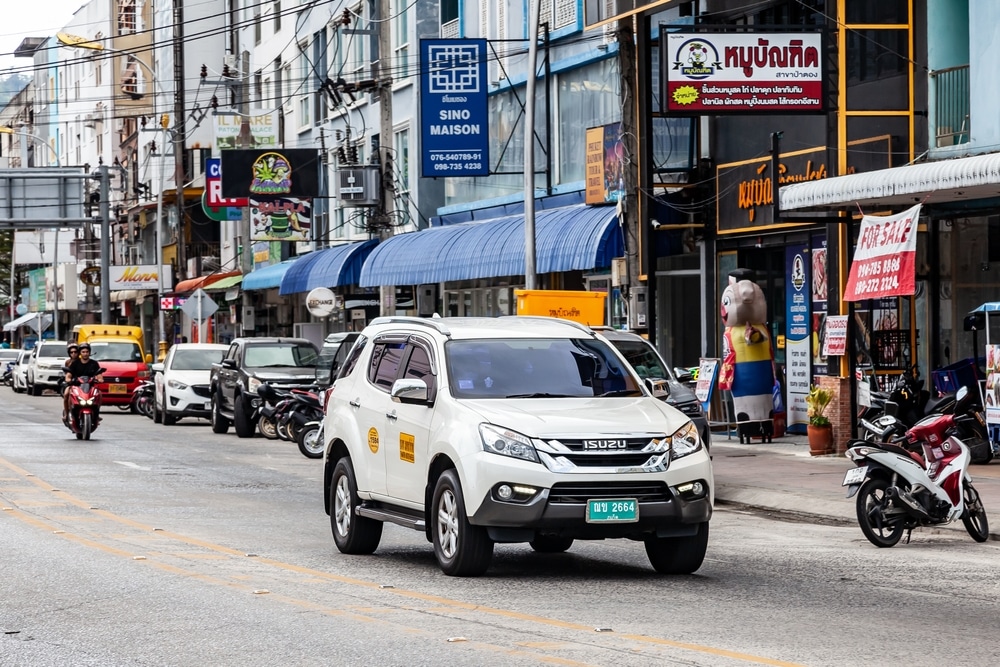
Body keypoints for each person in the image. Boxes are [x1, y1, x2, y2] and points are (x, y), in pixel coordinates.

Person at [63, 343, 103, 424]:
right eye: (83, 352)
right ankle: (67, 414)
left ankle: (96, 414)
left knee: (100, 394)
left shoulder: (94, 363)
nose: (85, 353)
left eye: (87, 352)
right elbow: (68, 375)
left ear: (89, 353)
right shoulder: (75, 363)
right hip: (76, 386)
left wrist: (100, 379)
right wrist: (69, 379)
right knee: (66, 393)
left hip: (90, 387)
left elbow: (99, 375)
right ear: (80, 353)